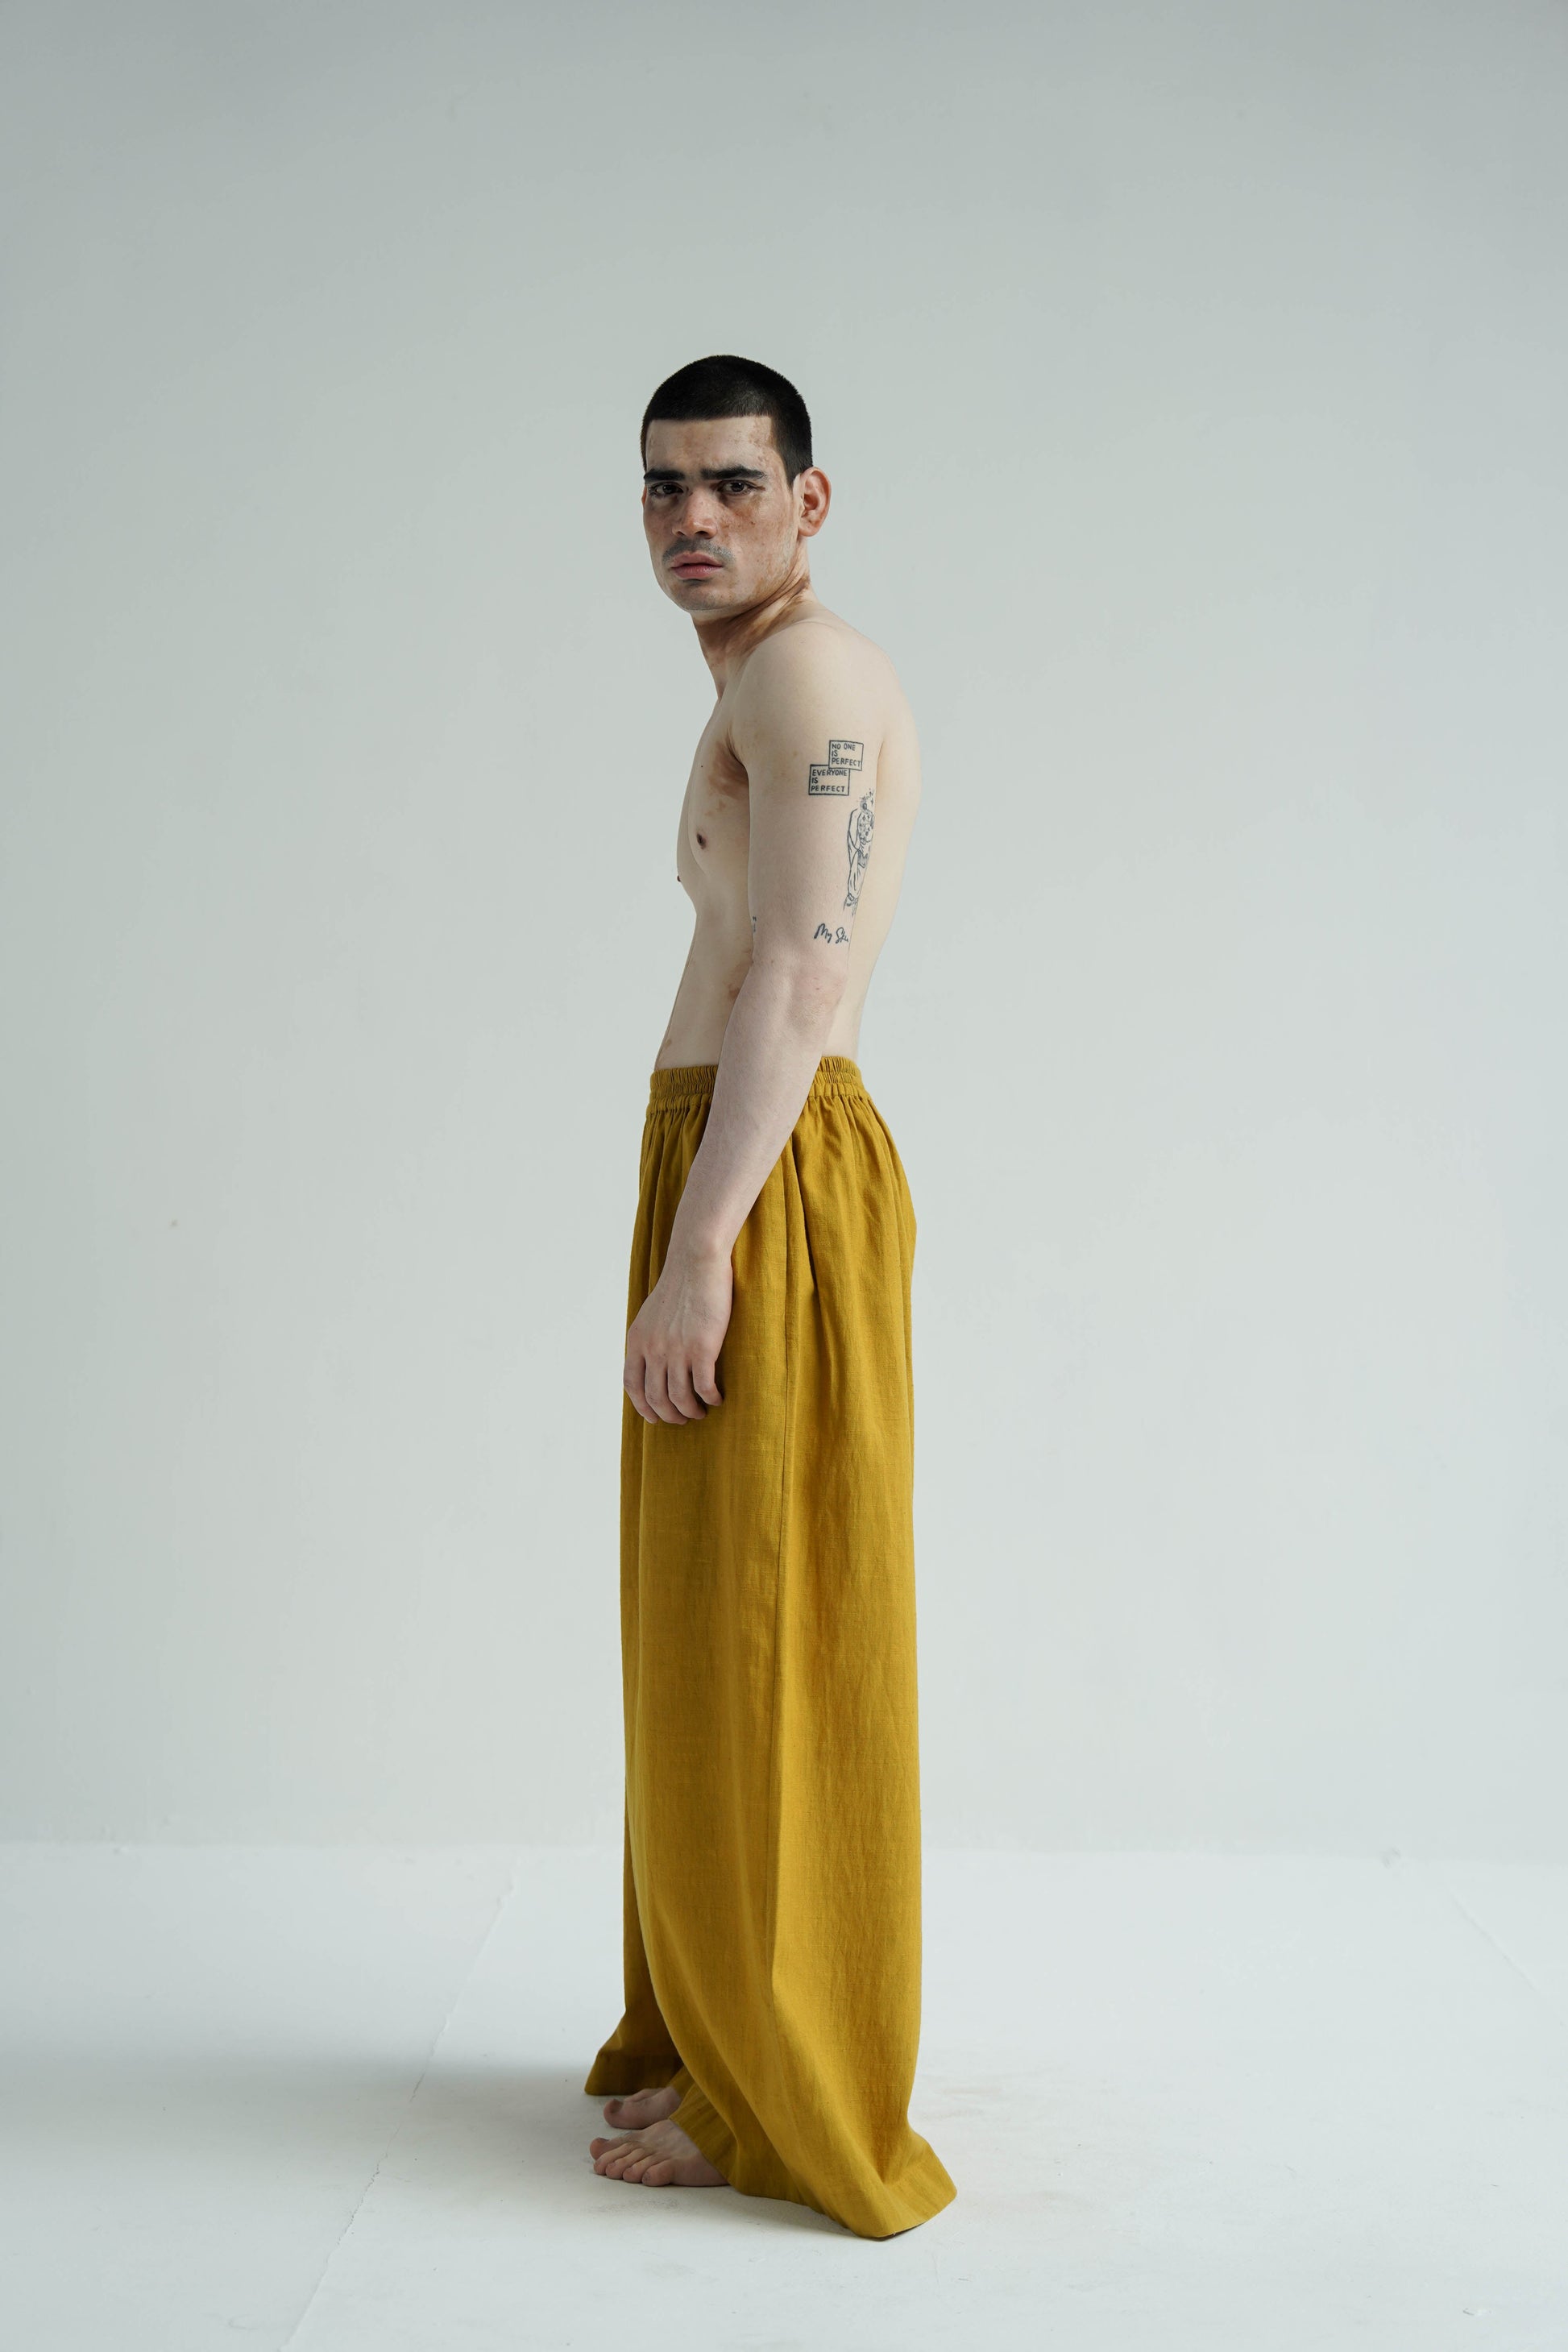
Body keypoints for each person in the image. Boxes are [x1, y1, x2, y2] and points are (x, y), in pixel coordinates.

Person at [583, 355, 955, 2239]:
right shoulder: (758, 678)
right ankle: (722, 2026)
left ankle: (776, 2082)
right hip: (732, 1158)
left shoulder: (805, 678)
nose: (693, 517)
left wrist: (703, 1245)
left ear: (808, 502)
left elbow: (799, 977)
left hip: (767, 1174)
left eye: (732, 483)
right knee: (702, 1626)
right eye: (664, 487)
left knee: (766, 1624)